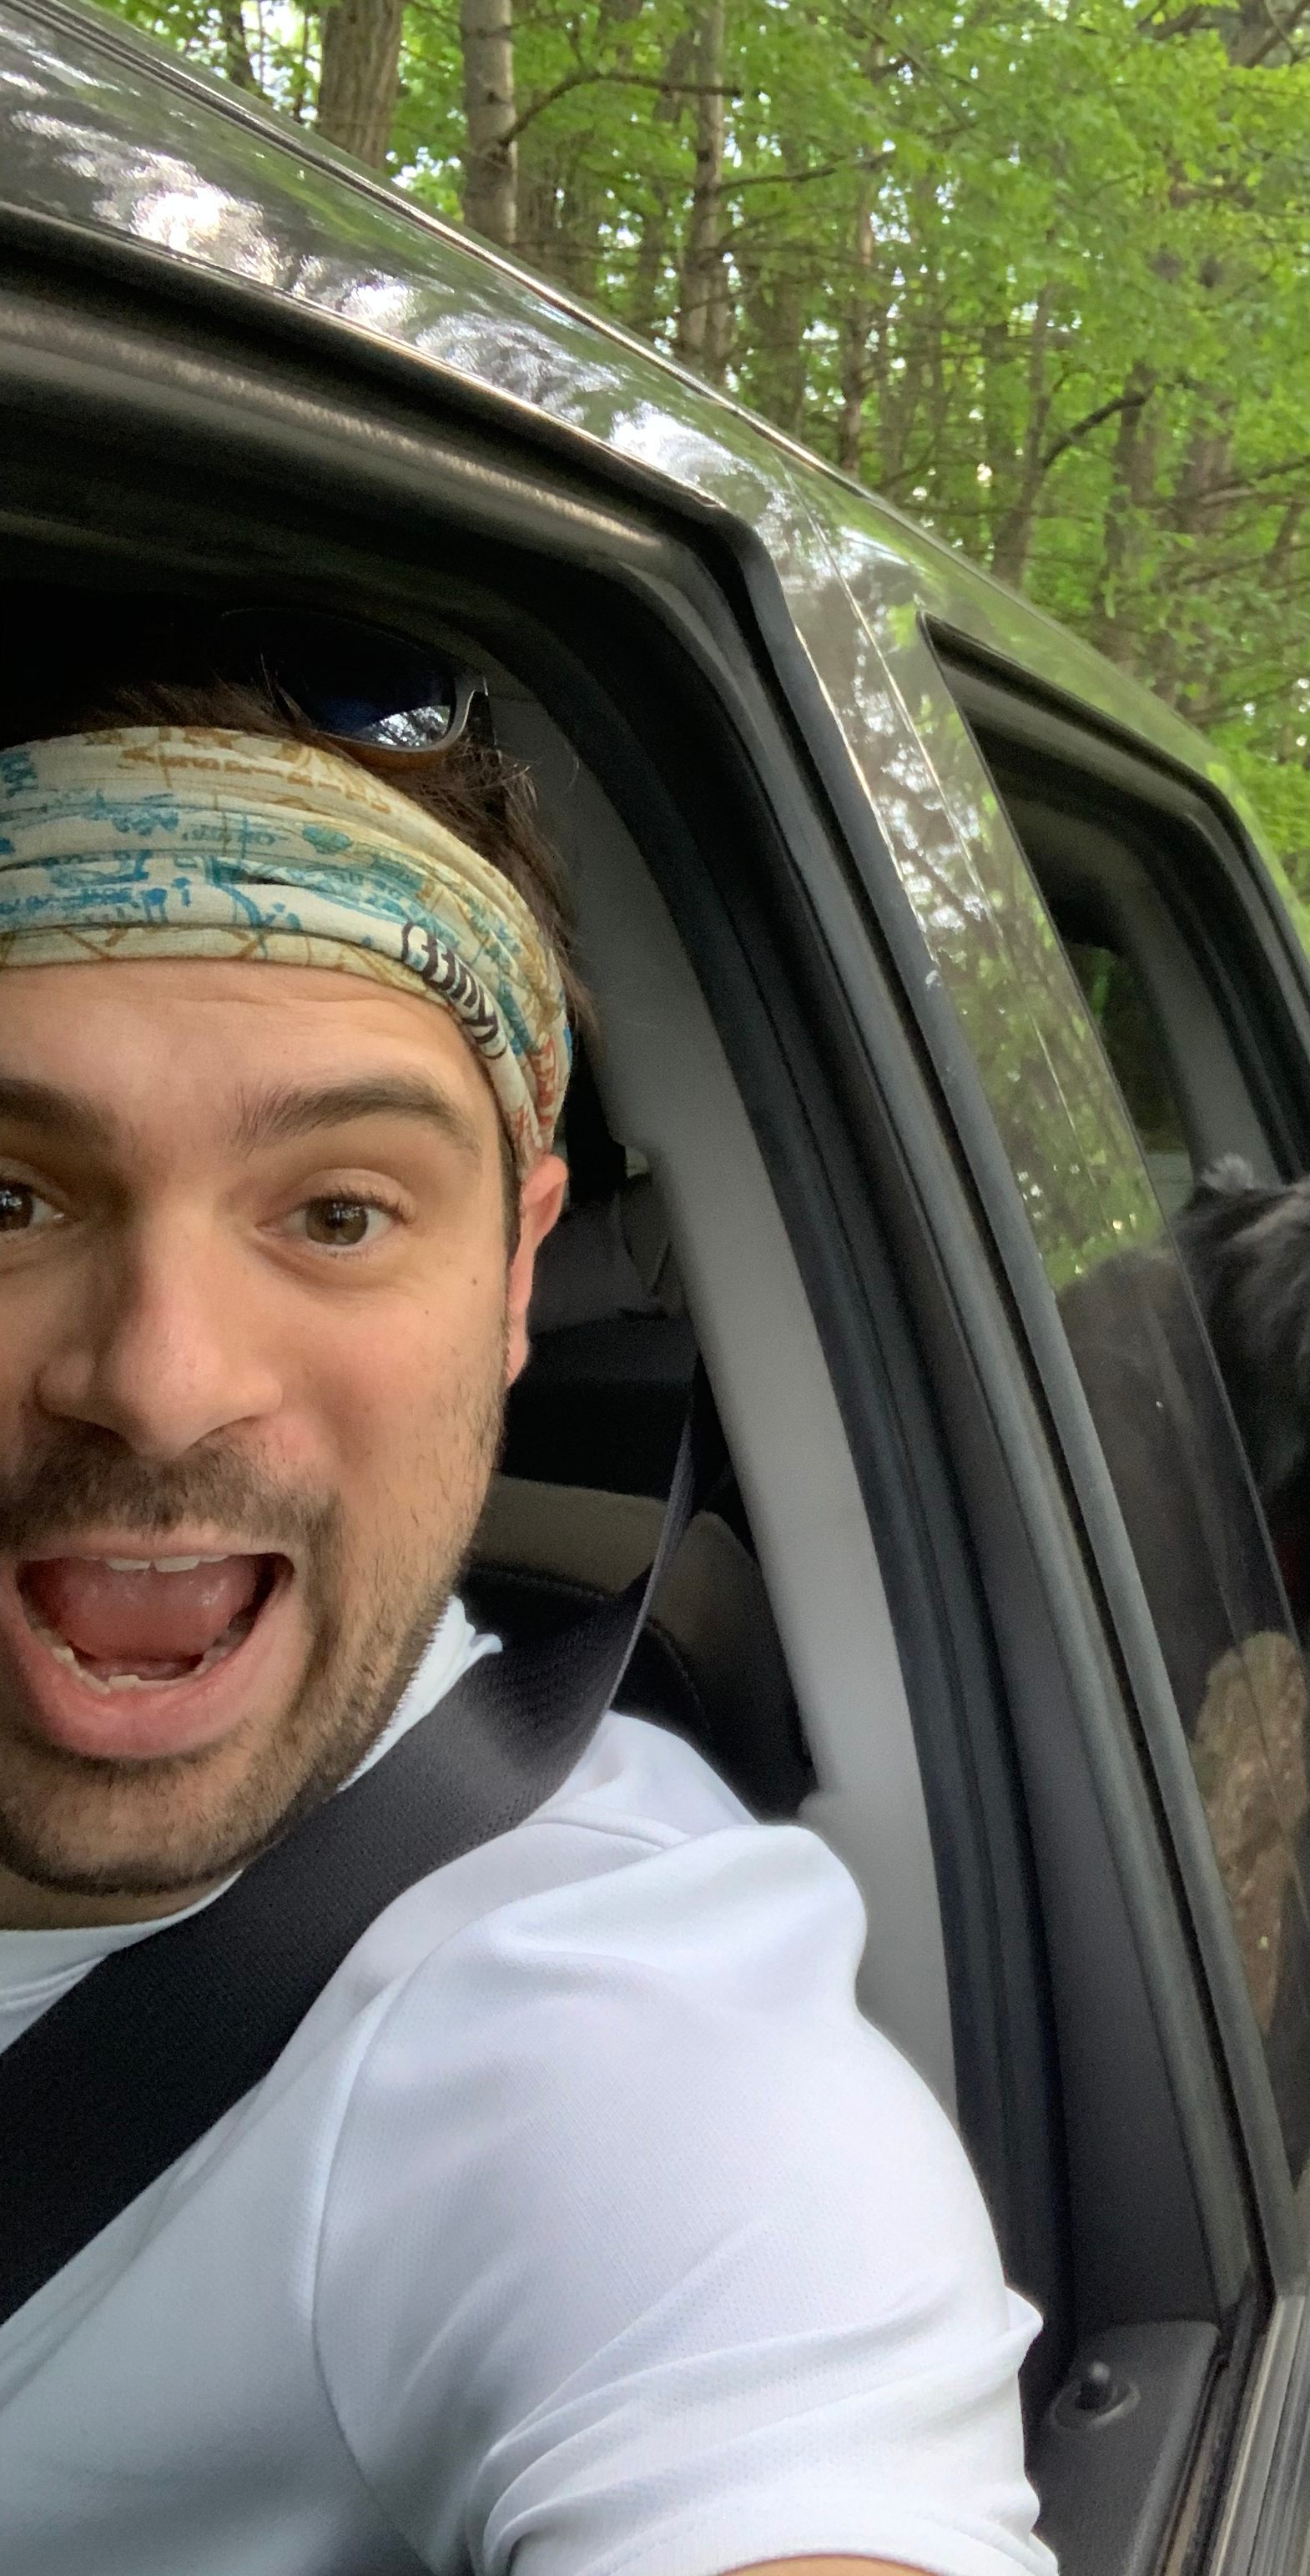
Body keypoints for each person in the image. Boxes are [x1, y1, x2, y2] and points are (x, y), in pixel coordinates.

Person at [0, 633, 1051, 2576]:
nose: (157, 1377)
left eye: (338, 1210)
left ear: (512, 1281)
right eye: (6, 1200)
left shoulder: (609, 2031)